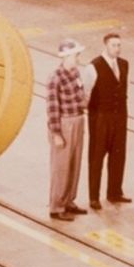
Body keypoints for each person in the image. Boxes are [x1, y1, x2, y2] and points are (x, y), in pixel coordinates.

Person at [85, 31, 132, 210]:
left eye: (119, 45)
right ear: (105, 45)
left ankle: (114, 192)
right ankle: (94, 197)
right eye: (114, 45)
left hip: (120, 116)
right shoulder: (93, 66)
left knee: (118, 155)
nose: (117, 49)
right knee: (97, 157)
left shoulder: (124, 64)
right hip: (100, 117)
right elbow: (87, 93)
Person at [46, 40, 88, 222]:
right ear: (67, 56)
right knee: (61, 167)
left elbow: (80, 94)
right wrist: (56, 134)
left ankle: (69, 200)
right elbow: (53, 108)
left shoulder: (75, 73)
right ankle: (57, 206)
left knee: (74, 164)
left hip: (78, 120)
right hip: (64, 124)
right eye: (76, 55)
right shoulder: (55, 78)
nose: (78, 58)